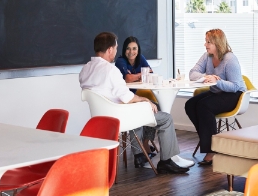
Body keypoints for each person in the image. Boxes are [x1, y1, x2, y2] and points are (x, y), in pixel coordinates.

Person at [79, 32, 189, 174]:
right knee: (165, 118)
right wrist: (144, 100)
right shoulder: (110, 70)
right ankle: (166, 161)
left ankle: (140, 155)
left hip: (101, 118)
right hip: (120, 117)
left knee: (141, 111)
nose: (116, 51)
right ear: (110, 50)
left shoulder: (85, 69)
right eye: (116, 48)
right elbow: (127, 97)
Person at [185, 29, 247, 166]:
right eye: (206, 41)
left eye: (208, 42)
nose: (205, 45)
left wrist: (217, 81)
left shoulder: (230, 59)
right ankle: (207, 139)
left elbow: (235, 86)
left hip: (235, 95)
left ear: (217, 43)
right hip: (217, 92)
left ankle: (212, 150)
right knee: (190, 105)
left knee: (204, 106)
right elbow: (192, 73)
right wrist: (206, 77)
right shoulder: (207, 56)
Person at [115, 36, 156, 156]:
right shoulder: (120, 61)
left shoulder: (141, 58)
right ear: (124, 50)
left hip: (137, 96)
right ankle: (141, 150)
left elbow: (151, 73)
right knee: (147, 109)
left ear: (138, 50)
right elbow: (127, 78)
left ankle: (145, 142)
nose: (131, 52)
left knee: (155, 107)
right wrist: (142, 74)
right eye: (128, 49)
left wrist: (136, 75)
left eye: (134, 48)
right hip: (126, 99)